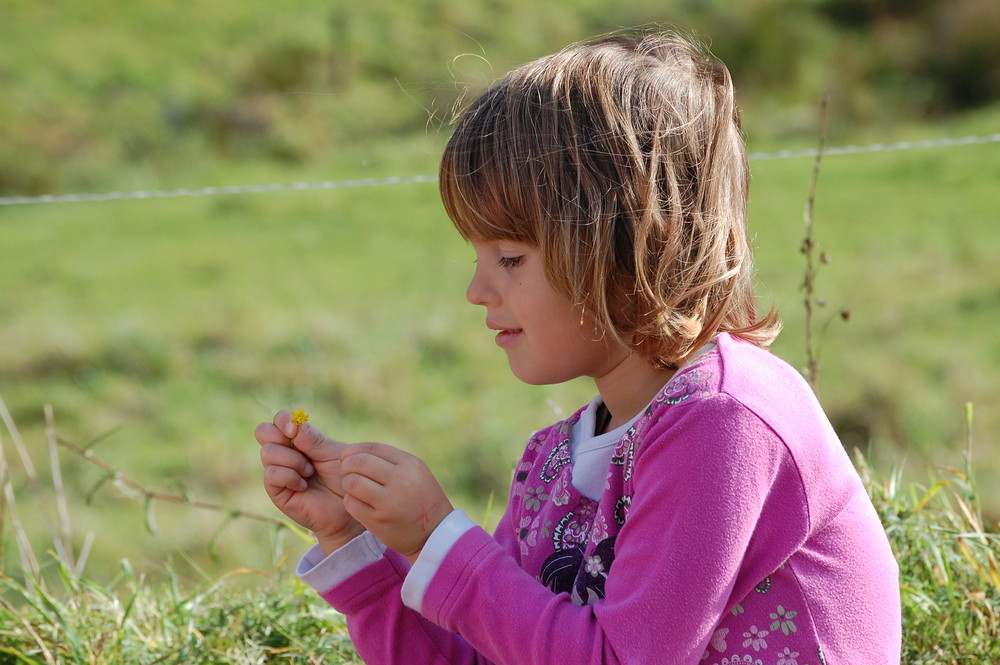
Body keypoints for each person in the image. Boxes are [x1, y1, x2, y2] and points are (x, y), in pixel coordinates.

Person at [256, 31, 902, 665]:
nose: (477, 290)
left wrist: (439, 537)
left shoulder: (726, 419)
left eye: (510, 257)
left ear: (626, 245)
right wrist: (354, 540)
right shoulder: (552, 465)